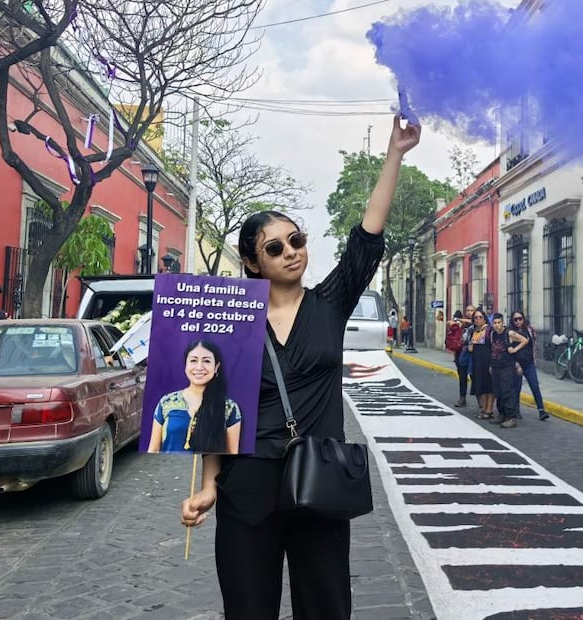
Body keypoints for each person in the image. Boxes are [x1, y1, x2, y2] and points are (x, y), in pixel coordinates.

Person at [180, 115, 420, 619]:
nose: (291, 252)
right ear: (252, 262)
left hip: (320, 480)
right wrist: (207, 486)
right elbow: (215, 405)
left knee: (326, 607)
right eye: (275, 247)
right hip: (247, 486)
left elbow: (365, 241)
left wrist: (395, 153)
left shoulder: (330, 303)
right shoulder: (228, 316)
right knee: (248, 608)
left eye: (297, 240)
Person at [149, 339, 242, 454]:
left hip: (207, 471)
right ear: (186, 365)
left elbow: (232, 454)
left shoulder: (229, 408)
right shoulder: (167, 402)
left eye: (206, 361)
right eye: (193, 360)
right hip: (169, 470)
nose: (199, 367)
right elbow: (153, 449)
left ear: (216, 366)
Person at [489, 313, 529, 428]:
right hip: (496, 365)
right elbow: (493, 349)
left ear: (503, 323)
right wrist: (491, 365)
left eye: (499, 323)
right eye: (495, 323)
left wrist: (515, 349)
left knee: (507, 391)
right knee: (498, 391)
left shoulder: (509, 333)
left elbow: (524, 340)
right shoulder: (493, 334)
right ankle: (502, 414)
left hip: (507, 366)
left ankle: (511, 417)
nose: (497, 325)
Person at [509, 311, 548, 420]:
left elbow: (533, 344)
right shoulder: (511, 333)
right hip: (517, 363)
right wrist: (516, 364)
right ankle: (516, 410)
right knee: (516, 387)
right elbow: (509, 349)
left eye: (520, 318)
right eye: (515, 319)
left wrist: (534, 358)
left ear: (523, 319)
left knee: (535, 385)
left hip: (529, 363)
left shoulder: (529, 330)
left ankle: (541, 410)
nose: (518, 321)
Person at [467, 309, 494, 419]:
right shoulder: (473, 331)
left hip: (488, 361)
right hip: (477, 362)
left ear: (484, 318)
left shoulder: (489, 330)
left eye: (480, 317)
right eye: (476, 318)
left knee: (489, 386)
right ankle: (483, 408)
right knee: (480, 385)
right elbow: (470, 347)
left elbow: (493, 346)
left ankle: (489, 409)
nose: (478, 319)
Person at [445, 310, 468, 406]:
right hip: (460, 353)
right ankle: (462, 398)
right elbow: (448, 323)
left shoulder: (472, 325)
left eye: (472, 310)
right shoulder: (457, 326)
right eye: (468, 310)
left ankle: (481, 402)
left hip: (471, 354)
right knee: (462, 376)